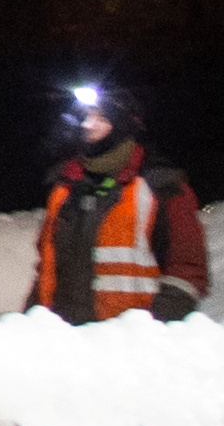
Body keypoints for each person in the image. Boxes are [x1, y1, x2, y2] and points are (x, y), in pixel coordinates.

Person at [30, 96, 207, 323]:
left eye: (100, 118)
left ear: (123, 126)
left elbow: (187, 273)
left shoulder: (161, 188)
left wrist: (149, 329)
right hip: (64, 345)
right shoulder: (64, 188)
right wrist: (31, 324)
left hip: (128, 348)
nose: (87, 125)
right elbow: (45, 269)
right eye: (87, 117)